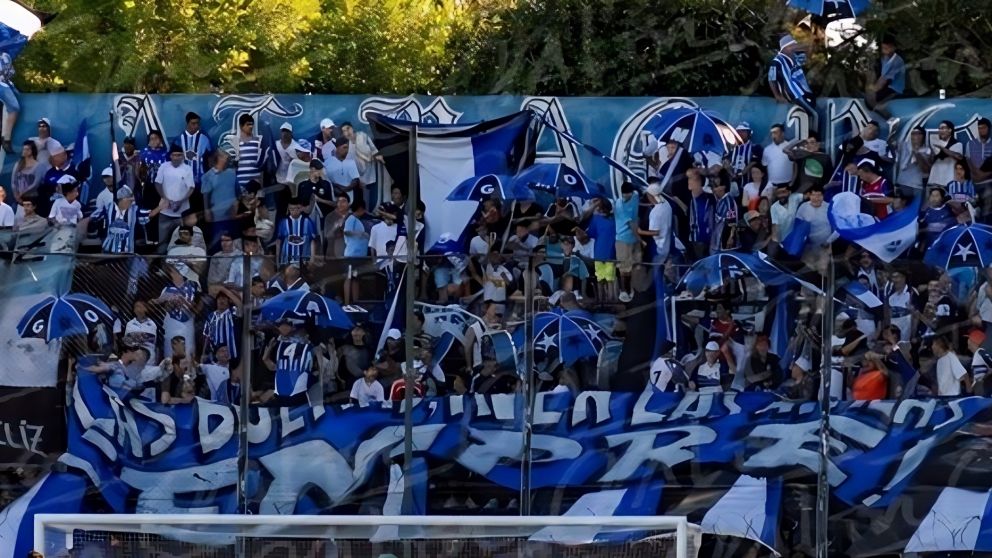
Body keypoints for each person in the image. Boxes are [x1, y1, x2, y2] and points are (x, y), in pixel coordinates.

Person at [768, 35, 817, 128]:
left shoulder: (794, 57)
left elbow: (808, 53)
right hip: (794, 95)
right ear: (786, 47)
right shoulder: (777, 62)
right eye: (792, 46)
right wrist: (777, 96)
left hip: (804, 92)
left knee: (809, 115)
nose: (795, 48)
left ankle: (810, 136)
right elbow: (771, 79)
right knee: (814, 114)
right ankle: (813, 137)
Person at [153, 264, 199, 359]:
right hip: (171, 324)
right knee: (169, 352)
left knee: (188, 350)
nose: (172, 274)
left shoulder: (193, 286)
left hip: (187, 325)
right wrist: (170, 304)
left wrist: (182, 300)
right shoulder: (167, 289)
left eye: (174, 272)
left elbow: (196, 306)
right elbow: (162, 306)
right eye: (171, 272)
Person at [155, 144, 196, 246]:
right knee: (163, 243)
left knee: (182, 242)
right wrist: (165, 199)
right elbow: (157, 183)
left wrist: (180, 202)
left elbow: (191, 188)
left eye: (179, 155)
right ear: (170, 156)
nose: (176, 157)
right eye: (174, 155)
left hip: (182, 214)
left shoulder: (187, 169)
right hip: (165, 211)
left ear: (182, 156)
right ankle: (162, 262)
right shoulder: (164, 167)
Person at [200, 149, 239, 252]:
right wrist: (207, 211)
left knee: (233, 243)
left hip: (231, 215)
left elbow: (238, 191)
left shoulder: (232, 173)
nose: (226, 159)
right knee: (217, 244)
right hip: (216, 216)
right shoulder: (207, 176)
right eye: (223, 156)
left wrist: (236, 206)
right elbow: (205, 195)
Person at [613, 181, 640, 302]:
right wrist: (640, 240)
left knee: (633, 266)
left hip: (633, 239)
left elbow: (638, 193)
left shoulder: (635, 196)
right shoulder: (619, 205)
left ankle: (631, 289)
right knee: (624, 268)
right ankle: (624, 291)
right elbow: (631, 224)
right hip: (623, 240)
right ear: (625, 193)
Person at [866, 36, 905, 119]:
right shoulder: (884, 58)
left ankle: (888, 117)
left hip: (895, 88)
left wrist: (875, 88)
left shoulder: (897, 61)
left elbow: (885, 79)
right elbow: (882, 76)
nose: (885, 50)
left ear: (894, 48)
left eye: (887, 48)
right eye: (883, 48)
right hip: (886, 86)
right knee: (870, 97)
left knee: (873, 98)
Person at [276, 198, 319, 266]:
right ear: (288, 209)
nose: (294, 211)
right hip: (287, 260)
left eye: (297, 208)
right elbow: (279, 241)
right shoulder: (283, 222)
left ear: (301, 208)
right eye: (292, 209)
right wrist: (277, 259)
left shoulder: (308, 222)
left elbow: (312, 241)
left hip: (304, 260)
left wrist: (312, 259)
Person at [171, 111, 212, 185]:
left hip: (200, 181)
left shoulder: (205, 139)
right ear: (187, 124)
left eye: (198, 123)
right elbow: (173, 160)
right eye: (193, 123)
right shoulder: (178, 140)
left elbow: (209, 159)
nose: (196, 126)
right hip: (183, 181)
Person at [967, 117, 992, 221]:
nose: (981, 130)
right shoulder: (970, 143)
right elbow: (968, 161)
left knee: (988, 210)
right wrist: (976, 176)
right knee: (975, 211)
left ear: (989, 128)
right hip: (974, 183)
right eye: (979, 128)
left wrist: (983, 175)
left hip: (990, 182)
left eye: (984, 128)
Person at [325, 136, 363, 205]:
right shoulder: (328, 162)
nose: (347, 150)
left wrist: (344, 189)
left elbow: (355, 180)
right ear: (337, 148)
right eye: (344, 147)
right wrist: (335, 187)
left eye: (348, 148)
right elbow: (326, 181)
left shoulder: (351, 162)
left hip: (350, 199)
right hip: (334, 199)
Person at [725, 122, 763, 189]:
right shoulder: (731, 148)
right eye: (738, 132)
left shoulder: (755, 147)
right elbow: (725, 162)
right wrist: (731, 173)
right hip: (732, 183)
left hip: (749, 184)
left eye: (743, 131)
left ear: (749, 133)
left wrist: (741, 173)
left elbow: (753, 162)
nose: (740, 134)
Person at [928, 120, 964, 188]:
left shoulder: (957, 144)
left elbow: (959, 157)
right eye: (939, 129)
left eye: (943, 128)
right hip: (934, 181)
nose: (940, 130)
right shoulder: (935, 144)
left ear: (950, 130)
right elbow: (930, 162)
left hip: (948, 182)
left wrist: (942, 148)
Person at [10, 140, 48, 205]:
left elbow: (36, 184)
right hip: (19, 198)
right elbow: (14, 181)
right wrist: (16, 195)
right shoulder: (18, 164)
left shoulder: (39, 166)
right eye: (24, 149)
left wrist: (22, 193)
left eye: (27, 149)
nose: (24, 151)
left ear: (32, 151)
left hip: (32, 198)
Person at [234, 114, 263, 191]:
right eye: (248, 124)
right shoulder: (235, 143)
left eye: (252, 124)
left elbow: (262, 163)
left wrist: (261, 183)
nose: (251, 127)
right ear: (241, 126)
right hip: (241, 185)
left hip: (256, 184)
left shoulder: (258, 141)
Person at [0, 50, 19, 153]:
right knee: (14, 107)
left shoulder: (5, 55)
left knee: (14, 107)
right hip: (2, 85)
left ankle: (6, 137)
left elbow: (11, 71)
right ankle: (6, 139)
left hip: (4, 84)